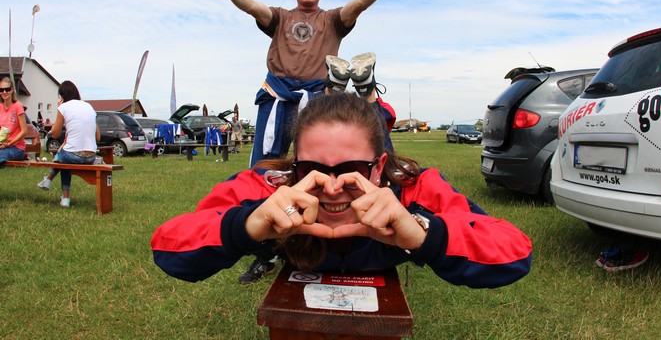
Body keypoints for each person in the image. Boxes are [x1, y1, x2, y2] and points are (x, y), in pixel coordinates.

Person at [152, 93, 533, 289]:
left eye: (351, 170)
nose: (332, 187)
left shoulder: (413, 188)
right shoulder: (270, 188)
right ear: (294, 163)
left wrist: (423, 235)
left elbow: (513, 254)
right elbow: (169, 247)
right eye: (313, 169)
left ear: (380, 166)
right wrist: (244, 228)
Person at [211, 0, 402, 167]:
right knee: (266, 161)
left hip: (318, 96)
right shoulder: (281, 17)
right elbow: (253, 6)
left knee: (319, 157)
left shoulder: (332, 20)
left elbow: (358, 4)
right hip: (277, 95)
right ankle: (261, 199)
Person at [37, 81, 100, 208]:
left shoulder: (64, 107)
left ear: (62, 96)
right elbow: (98, 137)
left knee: (63, 159)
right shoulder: (89, 107)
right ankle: (51, 185)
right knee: (64, 159)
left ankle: (56, 187)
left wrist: (59, 110)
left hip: (72, 155)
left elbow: (54, 134)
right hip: (91, 156)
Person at [0, 76, 28, 164]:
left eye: (7, 89)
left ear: (12, 90)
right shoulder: (0, 107)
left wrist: (9, 143)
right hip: (3, 145)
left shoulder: (18, 106)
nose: (4, 92)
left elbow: (24, 131)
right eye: (1, 90)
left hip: (16, 148)